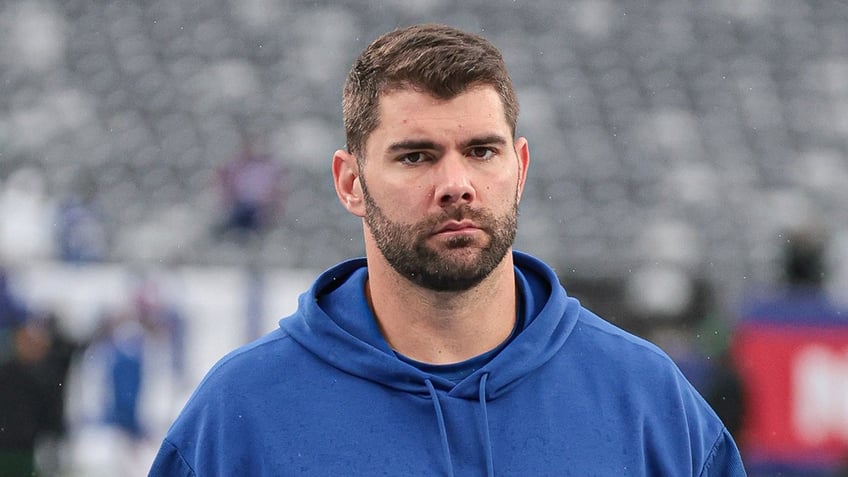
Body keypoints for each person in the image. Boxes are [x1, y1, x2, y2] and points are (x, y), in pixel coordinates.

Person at [150, 24, 746, 476]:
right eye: (416, 156)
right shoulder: (241, 413)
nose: (457, 183)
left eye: (483, 151)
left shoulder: (647, 402)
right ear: (350, 183)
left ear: (521, 168)